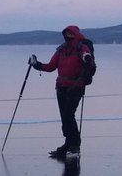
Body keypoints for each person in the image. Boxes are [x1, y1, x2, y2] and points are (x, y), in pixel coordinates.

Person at [30, 25, 93, 159]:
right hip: (61, 87)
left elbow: (88, 61)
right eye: (66, 34)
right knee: (65, 118)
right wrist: (36, 64)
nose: (68, 36)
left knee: (68, 116)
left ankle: (74, 146)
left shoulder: (82, 48)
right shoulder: (62, 49)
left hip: (76, 86)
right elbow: (51, 66)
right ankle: (69, 144)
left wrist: (87, 59)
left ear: (75, 34)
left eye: (71, 34)